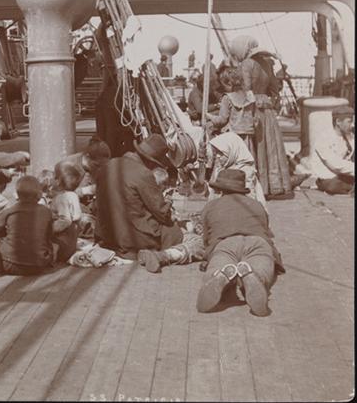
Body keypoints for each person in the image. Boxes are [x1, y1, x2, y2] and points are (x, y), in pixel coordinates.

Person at [94, 134, 204, 272]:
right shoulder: (143, 173)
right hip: (135, 239)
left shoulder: (108, 165)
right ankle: (164, 256)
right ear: (151, 161)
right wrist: (169, 204)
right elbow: (162, 213)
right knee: (198, 242)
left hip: (108, 236)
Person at [196, 169, 285, 316]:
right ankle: (253, 275)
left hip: (226, 243)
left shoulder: (211, 206)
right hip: (257, 242)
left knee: (218, 263)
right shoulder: (256, 204)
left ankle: (219, 275)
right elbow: (266, 229)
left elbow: (206, 239)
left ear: (220, 190)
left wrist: (208, 256)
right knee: (261, 265)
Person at [231, 35, 292, 199]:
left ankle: (257, 185)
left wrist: (248, 109)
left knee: (254, 145)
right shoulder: (266, 63)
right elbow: (275, 89)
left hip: (252, 107)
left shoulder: (247, 64)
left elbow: (247, 89)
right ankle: (274, 185)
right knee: (270, 145)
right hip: (267, 108)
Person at [0, 175, 55, 276]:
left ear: (17, 195)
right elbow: (50, 235)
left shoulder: (9, 211)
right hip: (38, 266)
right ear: (39, 194)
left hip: (9, 264)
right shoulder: (46, 211)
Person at [208, 132, 268, 208]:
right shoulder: (221, 167)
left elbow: (249, 198)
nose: (218, 156)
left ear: (232, 151)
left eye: (221, 153)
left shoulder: (245, 171)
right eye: (216, 153)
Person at [310, 105, 354, 195]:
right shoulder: (324, 138)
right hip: (329, 177)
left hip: (346, 175)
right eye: (349, 122)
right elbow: (335, 165)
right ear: (338, 122)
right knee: (333, 186)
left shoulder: (350, 136)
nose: (352, 125)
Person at [207, 68, 256, 144]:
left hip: (233, 136)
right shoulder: (249, 96)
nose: (223, 89)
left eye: (224, 86)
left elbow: (222, 120)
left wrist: (210, 117)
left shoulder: (227, 98)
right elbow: (255, 117)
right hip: (247, 135)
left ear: (229, 84)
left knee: (209, 128)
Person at [50, 161, 82, 262]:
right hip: (72, 241)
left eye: (54, 175)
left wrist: (49, 229)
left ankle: (54, 253)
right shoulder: (73, 195)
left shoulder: (61, 198)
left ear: (58, 181)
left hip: (62, 243)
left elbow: (65, 220)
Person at [61, 136, 111, 201]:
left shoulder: (97, 168)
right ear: (87, 157)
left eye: (103, 166)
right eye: (97, 165)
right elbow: (64, 196)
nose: (100, 169)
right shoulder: (69, 165)